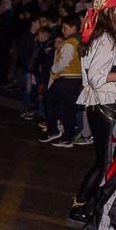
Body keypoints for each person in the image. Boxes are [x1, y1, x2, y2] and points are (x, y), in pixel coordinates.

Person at [66, 0, 116, 226]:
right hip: (104, 106)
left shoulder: (100, 37)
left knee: (106, 162)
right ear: (109, 12)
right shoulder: (107, 38)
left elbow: (98, 75)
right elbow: (98, 78)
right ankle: (82, 209)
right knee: (106, 162)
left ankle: (89, 207)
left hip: (101, 104)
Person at [40, 14, 83, 148]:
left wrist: (54, 69)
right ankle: (67, 138)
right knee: (69, 109)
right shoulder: (81, 41)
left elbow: (64, 61)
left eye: (65, 28)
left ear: (73, 27)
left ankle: (53, 130)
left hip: (66, 78)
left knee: (48, 101)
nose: (63, 31)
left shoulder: (70, 43)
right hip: (77, 79)